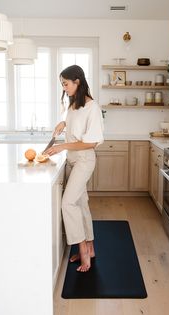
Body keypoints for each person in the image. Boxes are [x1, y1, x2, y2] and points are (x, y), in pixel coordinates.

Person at [45, 65, 104, 272]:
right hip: (72, 160)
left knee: (67, 203)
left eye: (66, 84)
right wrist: (63, 123)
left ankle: (83, 250)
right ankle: (91, 247)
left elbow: (91, 142)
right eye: (62, 84)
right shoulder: (73, 106)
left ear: (77, 81)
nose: (64, 88)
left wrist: (62, 146)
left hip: (84, 160)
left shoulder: (92, 107)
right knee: (81, 204)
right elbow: (76, 128)